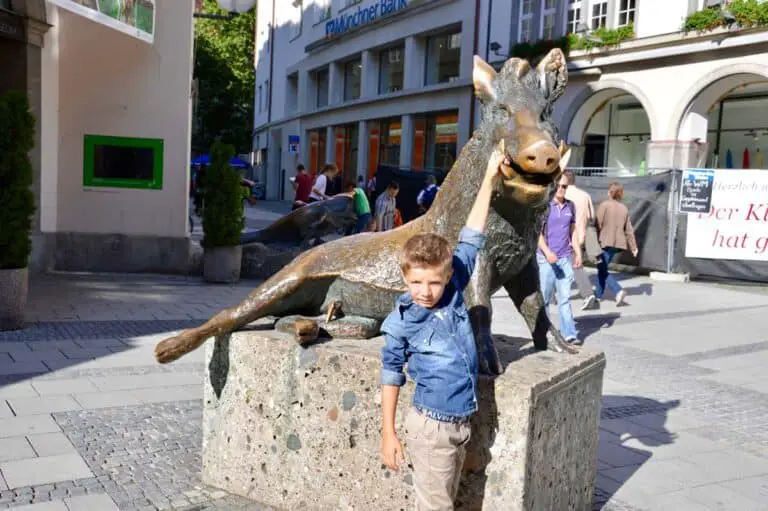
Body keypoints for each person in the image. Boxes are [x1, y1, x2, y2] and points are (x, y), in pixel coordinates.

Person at [379, 152, 504, 510]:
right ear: (405, 277)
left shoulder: (452, 288)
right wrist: (388, 433)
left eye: (434, 282)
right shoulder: (403, 320)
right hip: (431, 429)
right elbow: (390, 374)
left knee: (444, 502)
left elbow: (472, 235)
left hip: (461, 422)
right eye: (416, 282)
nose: (425, 291)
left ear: (448, 276)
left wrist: (490, 178)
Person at [537, 174, 582, 344]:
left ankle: (569, 334)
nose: (562, 189)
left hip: (564, 258)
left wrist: (577, 252)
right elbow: (537, 234)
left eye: (565, 186)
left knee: (565, 298)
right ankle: (544, 333)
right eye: (559, 186)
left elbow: (573, 231)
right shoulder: (545, 206)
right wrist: (547, 252)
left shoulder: (571, 206)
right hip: (546, 259)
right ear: (553, 186)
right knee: (545, 298)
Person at [595, 182, 639, 306]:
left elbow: (597, 225)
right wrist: (634, 247)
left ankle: (618, 290)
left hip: (604, 242)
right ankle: (598, 295)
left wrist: (592, 242)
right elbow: (629, 229)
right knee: (601, 268)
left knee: (602, 269)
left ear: (609, 192)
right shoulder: (624, 208)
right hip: (616, 245)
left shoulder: (604, 205)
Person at [562, 169, 599, 310]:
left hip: (565, 236)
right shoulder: (585, 195)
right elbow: (591, 216)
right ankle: (551, 295)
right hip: (581, 236)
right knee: (575, 264)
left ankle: (587, 293)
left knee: (571, 267)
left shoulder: (562, 194)